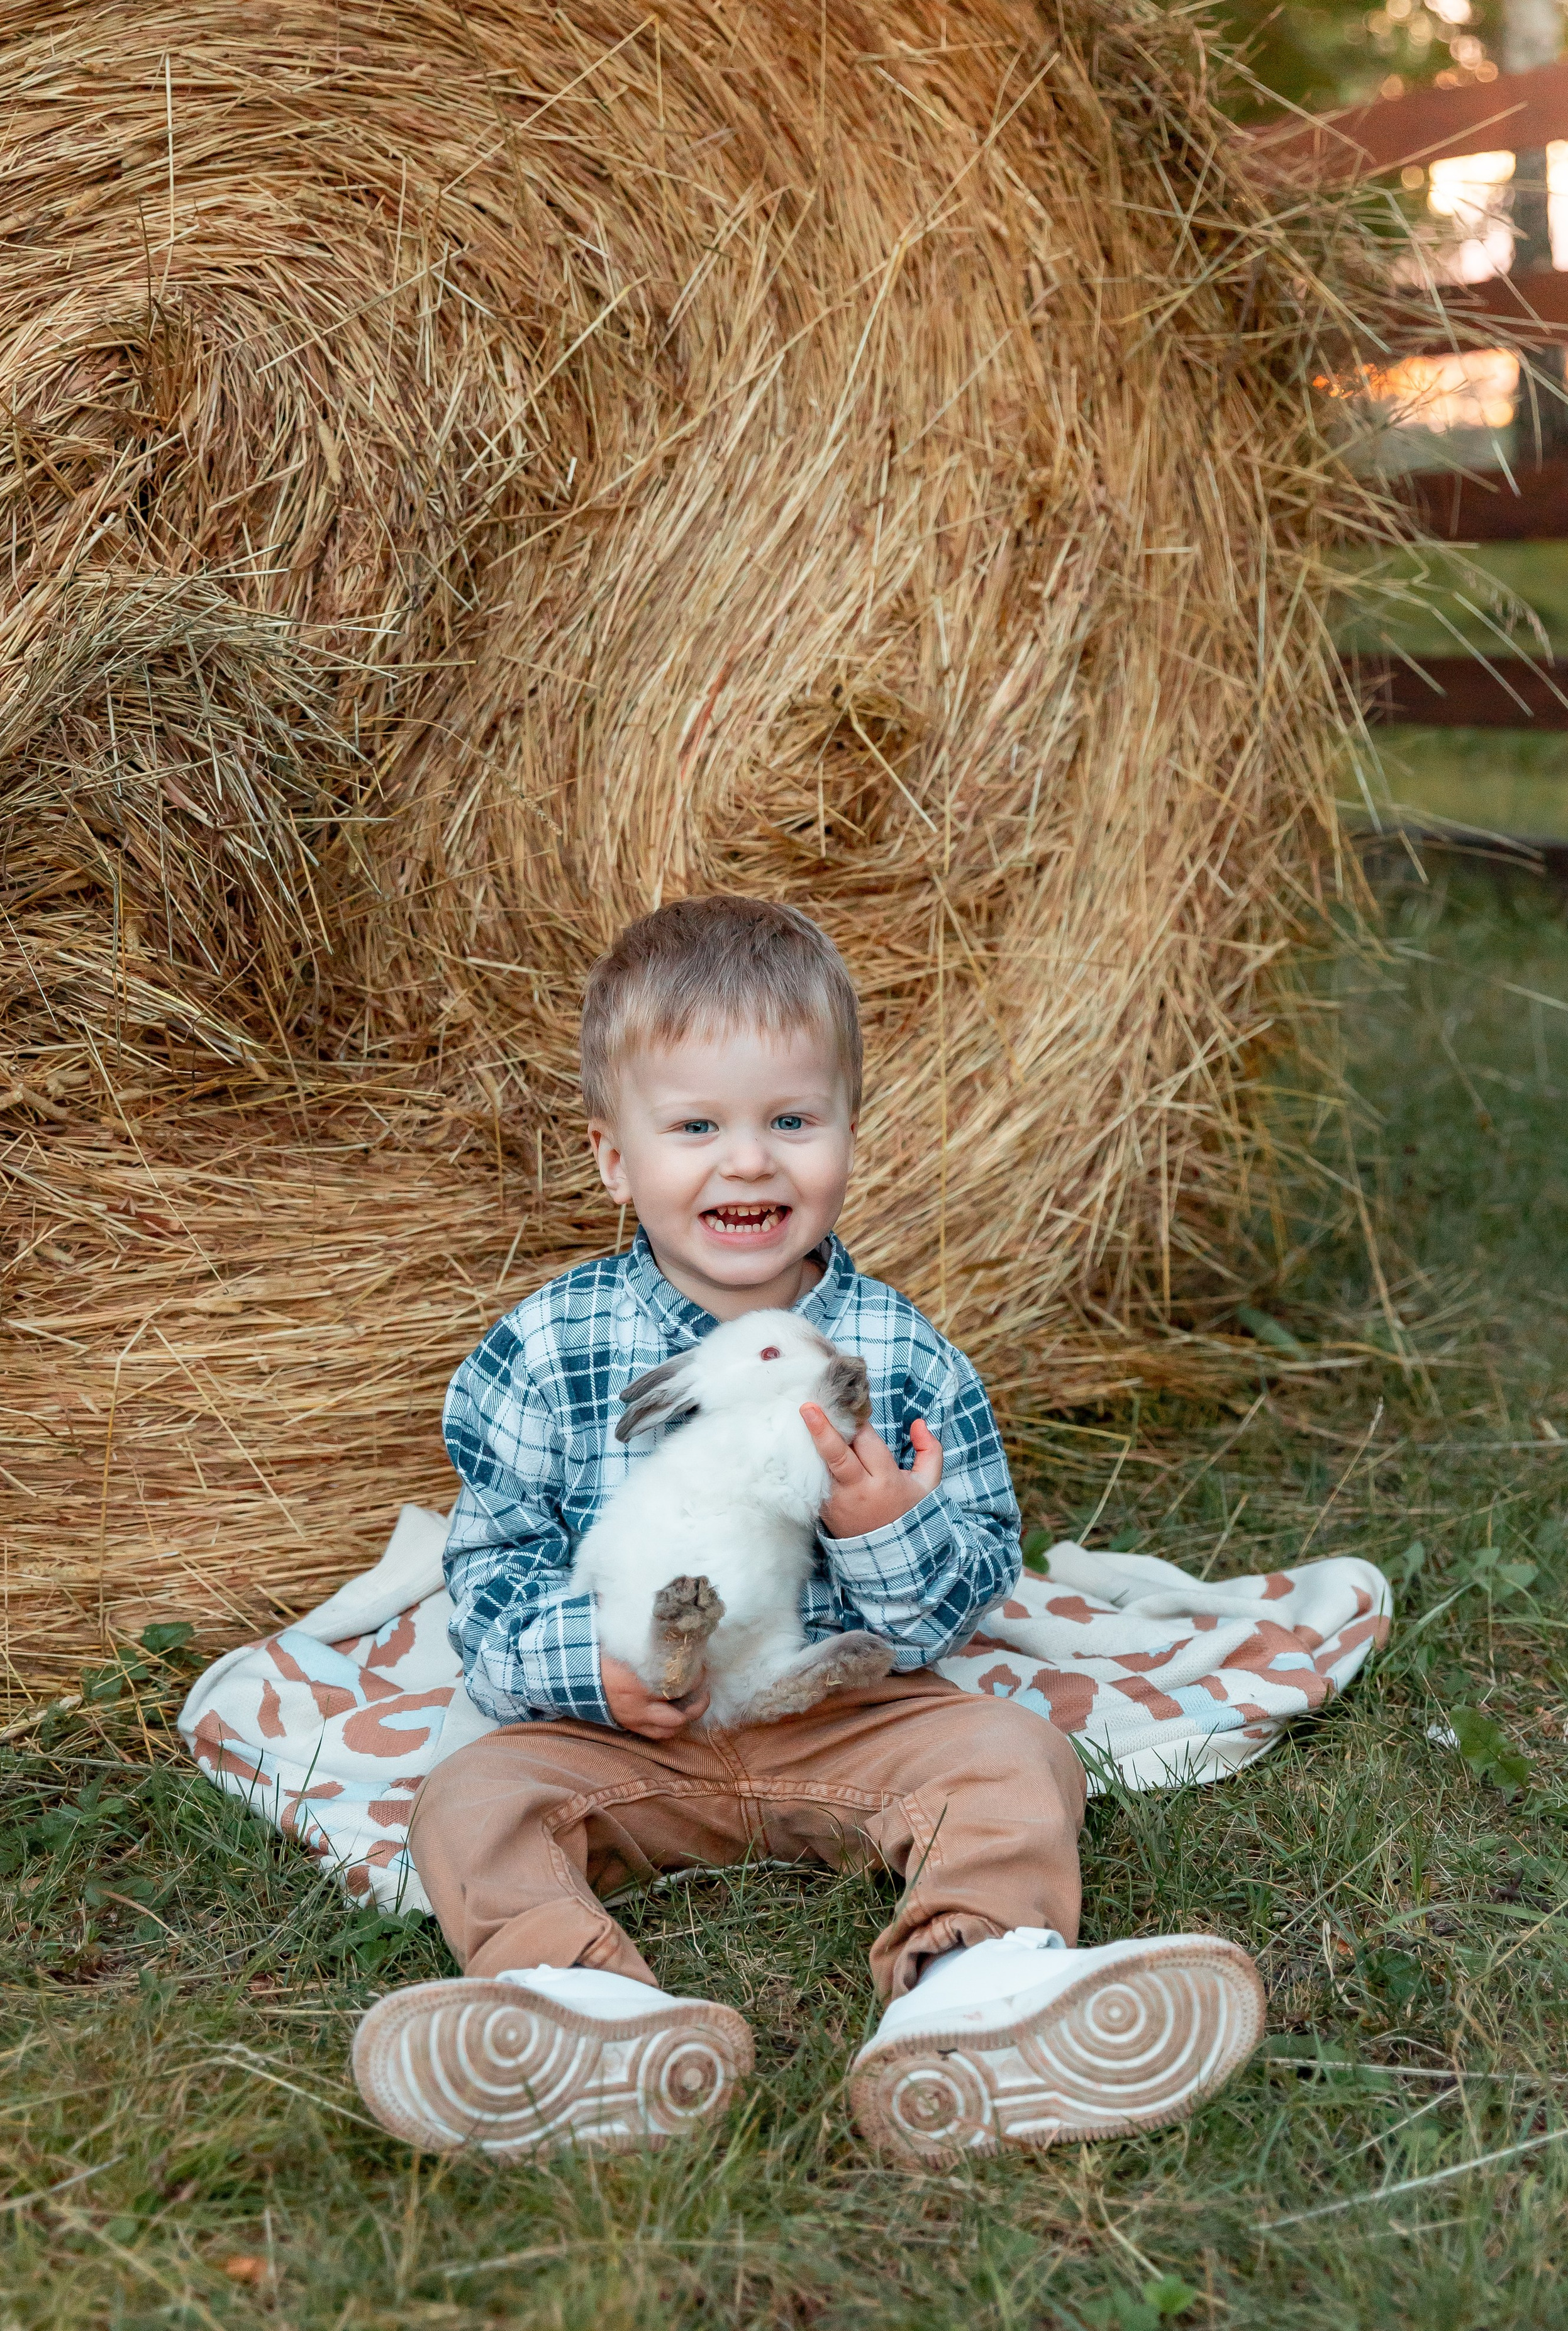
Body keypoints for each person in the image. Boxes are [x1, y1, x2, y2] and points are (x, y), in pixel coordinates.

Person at [352, 896, 1264, 2165]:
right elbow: (492, 1568)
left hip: (844, 1714)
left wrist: (881, 1525)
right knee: (465, 1800)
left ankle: (974, 1987)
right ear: (615, 1159)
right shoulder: (547, 1348)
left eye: (791, 1120)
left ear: (846, 1137)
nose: (747, 1162)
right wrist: (598, 1674)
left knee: (1013, 1754)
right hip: (623, 1741)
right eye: (694, 1127)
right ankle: (580, 2007)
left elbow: (962, 1594)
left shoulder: (894, 1357)